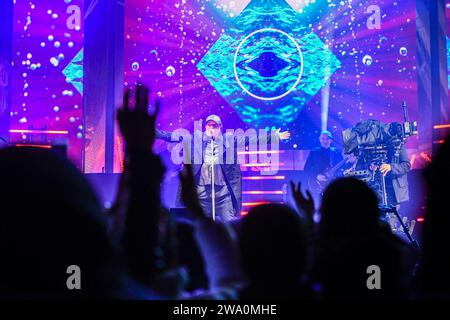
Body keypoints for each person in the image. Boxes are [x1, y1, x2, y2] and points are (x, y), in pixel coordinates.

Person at [156, 115, 290, 222]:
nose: (211, 128)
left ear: (220, 127)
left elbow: (251, 139)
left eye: (214, 125)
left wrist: (275, 136)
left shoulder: (228, 140)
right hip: (202, 195)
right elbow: (171, 136)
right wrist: (151, 131)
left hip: (222, 196)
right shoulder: (195, 139)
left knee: (232, 224)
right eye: (209, 125)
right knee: (204, 227)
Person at [303, 130, 349, 197]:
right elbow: (306, 168)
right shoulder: (314, 152)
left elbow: (342, 167)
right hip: (317, 184)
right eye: (323, 139)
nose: (325, 141)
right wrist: (316, 176)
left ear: (331, 140)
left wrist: (349, 161)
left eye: (327, 139)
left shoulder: (336, 152)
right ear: (319, 139)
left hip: (333, 183)